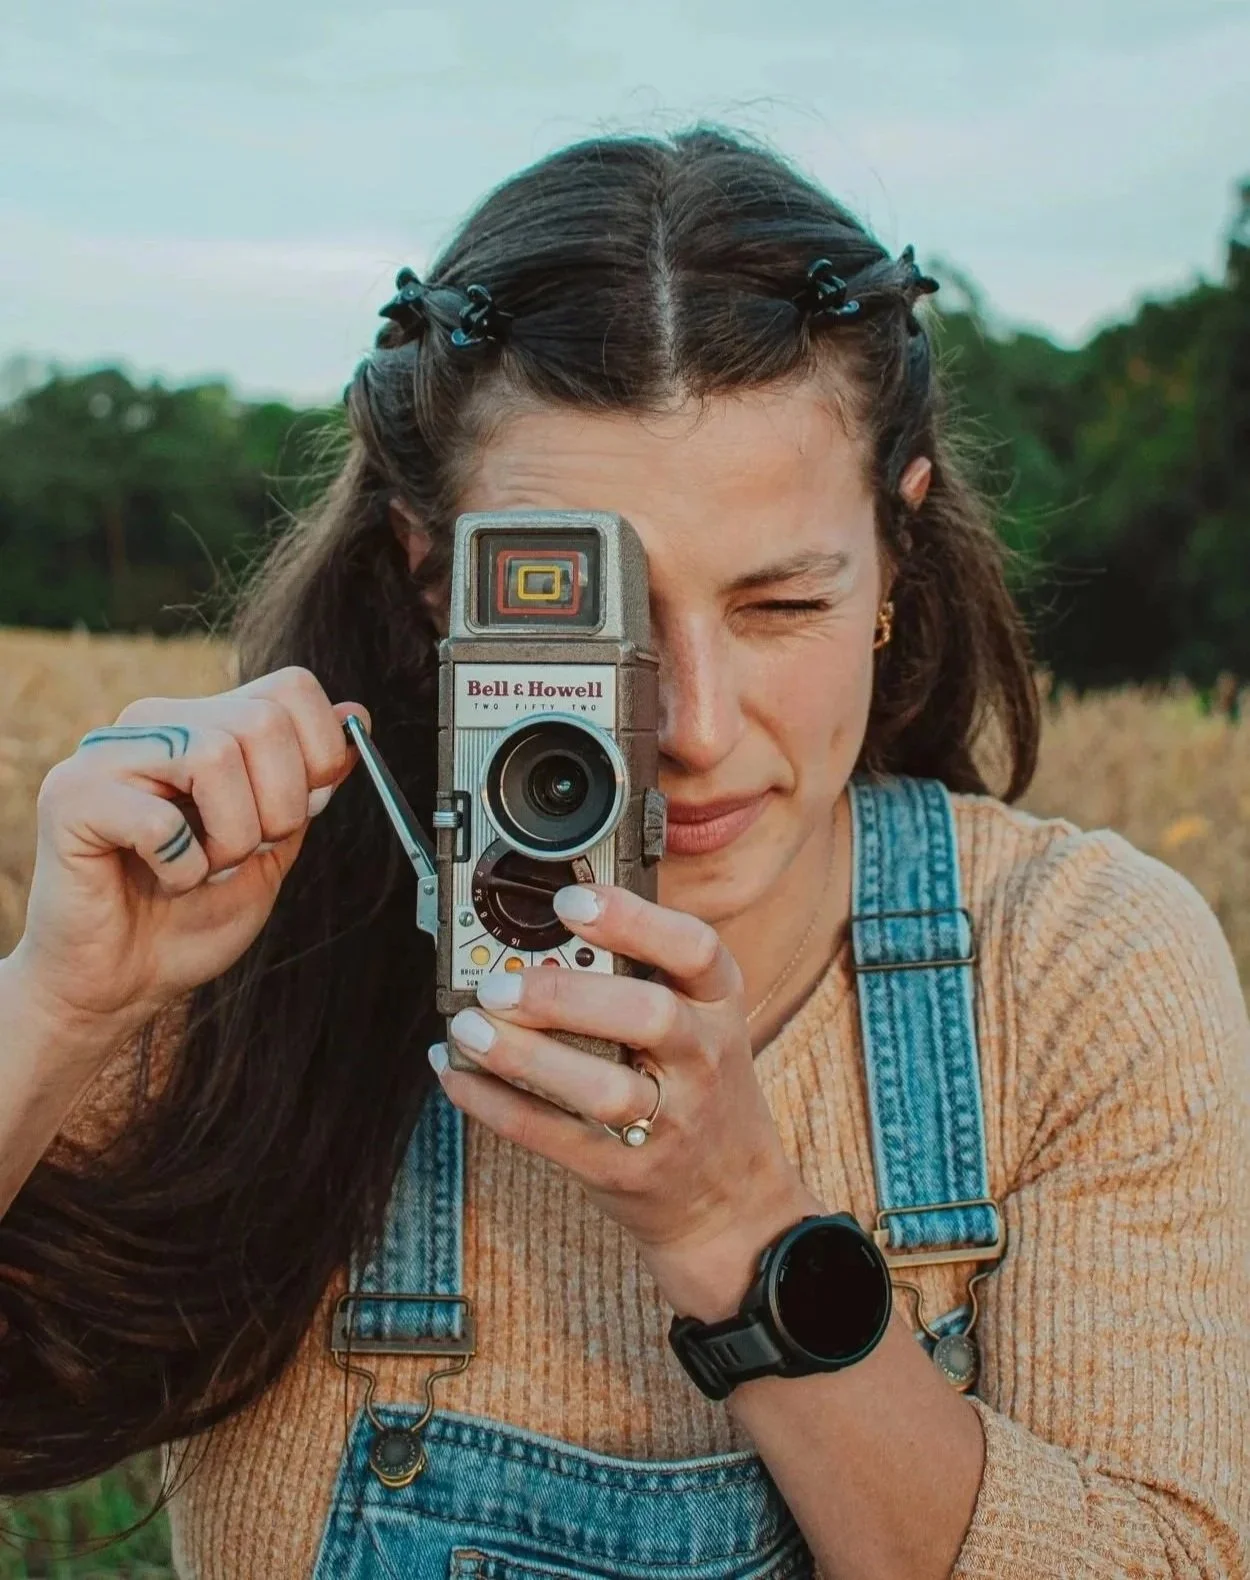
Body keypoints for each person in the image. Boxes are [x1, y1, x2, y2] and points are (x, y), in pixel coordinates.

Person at [1, 124, 1246, 1580]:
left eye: (779, 606)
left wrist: (736, 1227)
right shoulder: (248, 936)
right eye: (591, 621)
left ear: (894, 556)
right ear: (430, 578)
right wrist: (59, 1005)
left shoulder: (1072, 965)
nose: (692, 728)